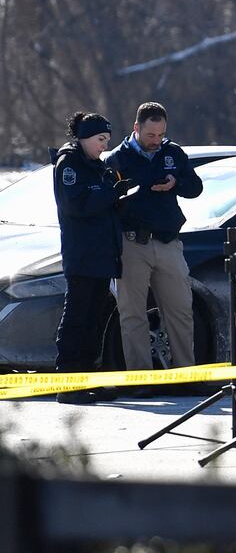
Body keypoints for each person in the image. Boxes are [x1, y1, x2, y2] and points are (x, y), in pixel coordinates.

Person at [105, 102, 202, 372]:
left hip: (168, 242)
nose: (156, 141)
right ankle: (140, 379)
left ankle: (186, 375)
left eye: (160, 135)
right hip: (132, 243)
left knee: (181, 312)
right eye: (150, 135)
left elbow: (196, 188)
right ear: (136, 128)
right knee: (133, 315)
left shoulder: (172, 153)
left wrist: (176, 183)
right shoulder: (117, 159)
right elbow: (106, 204)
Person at [52, 111, 130, 403]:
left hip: (103, 256)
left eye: (107, 140)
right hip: (82, 255)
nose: (103, 146)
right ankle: (68, 383)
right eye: (99, 139)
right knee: (77, 317)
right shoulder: (69, 164)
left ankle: (88, 377)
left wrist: (120, 198)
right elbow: (76, 205)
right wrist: (111, 194)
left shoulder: (98, 167)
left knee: (95, 318)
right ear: (84, 137)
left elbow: (103, 206)